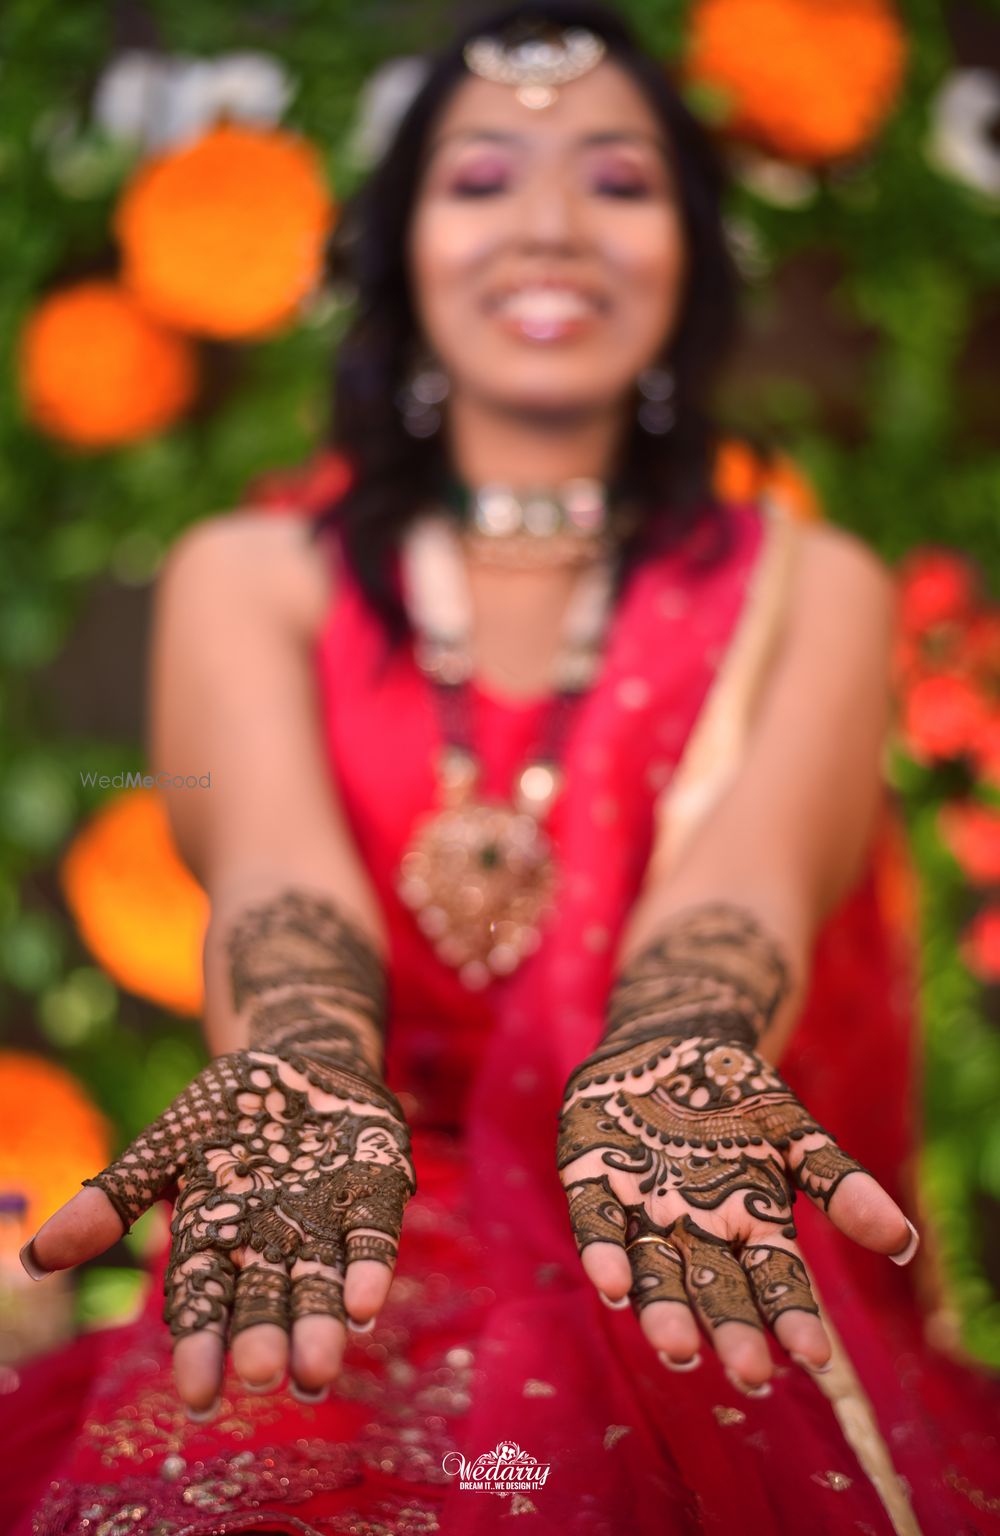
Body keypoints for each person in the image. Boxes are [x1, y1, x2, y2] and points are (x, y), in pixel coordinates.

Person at [5, 4, 1000, 1534]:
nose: (548, 225)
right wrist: (308, 1067)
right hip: (349, 1221)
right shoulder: (252, 576)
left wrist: (672, 1063)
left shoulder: (808, 588)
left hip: (678, 1230)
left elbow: (748, 885)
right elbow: (272, 863)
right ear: (395, 248)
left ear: (689, 253)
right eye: (482, 183)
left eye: (615, 182)